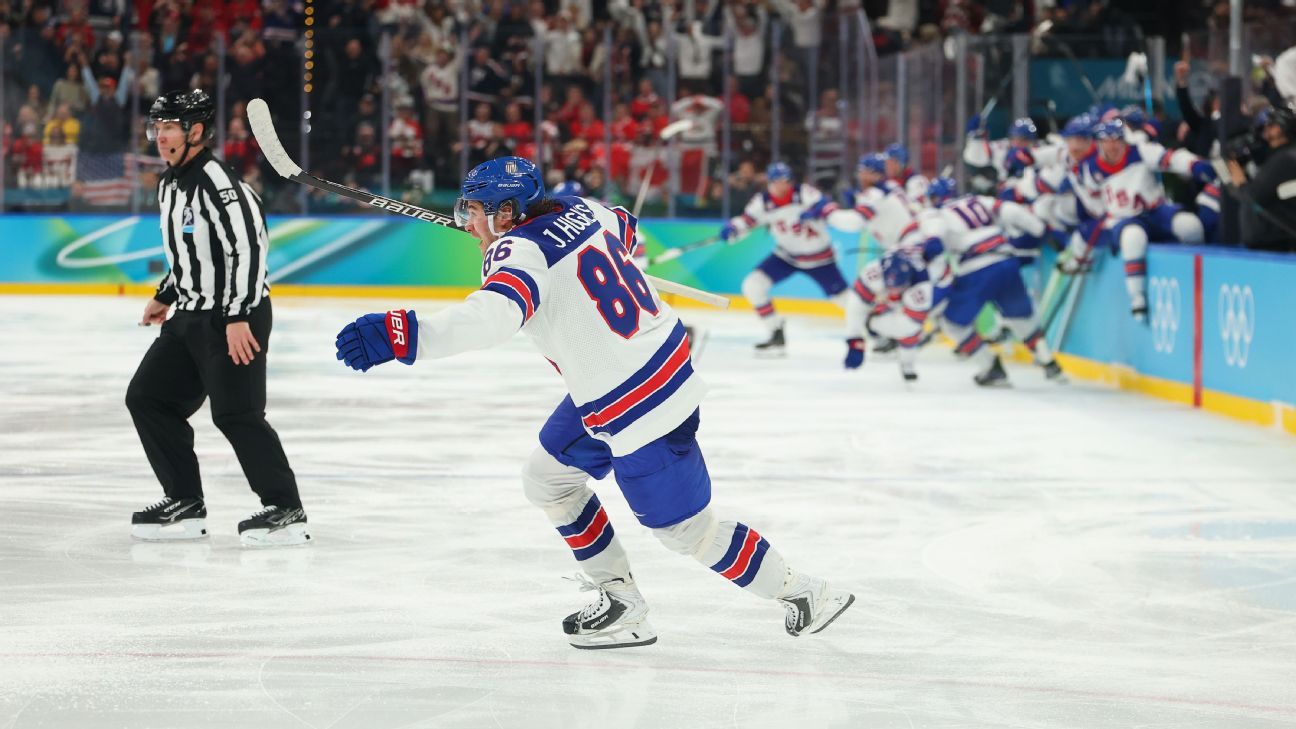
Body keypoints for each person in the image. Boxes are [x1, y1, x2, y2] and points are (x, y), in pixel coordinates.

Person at [332, 156, 854, 649]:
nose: (466, 221)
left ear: (507, 212)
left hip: (639, 405)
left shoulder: (518, 253)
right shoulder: (582, 209)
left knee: (686, 531)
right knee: (546, 479)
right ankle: (621, 601)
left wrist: (403, 334)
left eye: (473, 210)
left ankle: (805, 592)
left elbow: (491, 318)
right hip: (632, 377)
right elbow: (625, 225)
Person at [126, 89, 309, 547]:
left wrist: (238, 315)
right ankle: (185, 501)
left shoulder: (218, 183)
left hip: (232, 317)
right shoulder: (169, 184)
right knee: (148, 398)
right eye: (157, 127)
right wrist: (166, 293)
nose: (160, 136)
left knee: (237, 414)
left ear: (196, 132)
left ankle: (286, 509)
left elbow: (247, 249)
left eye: (170, 127)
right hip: (189, 316)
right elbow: (190, 251)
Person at [1074, 118, 1217, 319]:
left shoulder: (1139, 151)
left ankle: (1205, 271)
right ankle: (1137, 297)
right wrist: (1103, 214)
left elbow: (1171, 158)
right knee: (1133, 237)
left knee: (1190, 225)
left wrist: (1194, 164)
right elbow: (1092, 200)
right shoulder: (1090, 169)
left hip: (1155, 210)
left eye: (1116, 140)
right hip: (1123, 219)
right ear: (1099, 143)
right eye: (1106, 141)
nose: (1112, 146)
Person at [720, 162, 846, 355]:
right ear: (769, 183)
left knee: (845, 300)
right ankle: (775, 332)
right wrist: (733, 228)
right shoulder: (762, 202)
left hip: (819, 258)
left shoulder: (803, 193)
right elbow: (747, 221)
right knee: (753, 285)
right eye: (777, 181)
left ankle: (878, 333)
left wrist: (816, 211)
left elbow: (826, 205)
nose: (782, 185)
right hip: (787, 256)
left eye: (786, 181)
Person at [1225, 105, 1296, 253]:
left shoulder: (1285, 159)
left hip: (1275, 247)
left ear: (1282, 128)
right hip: (1275, 244)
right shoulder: (1281, 157)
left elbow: (1255, 196)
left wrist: (1240, 182)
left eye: (1270, 126)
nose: (1265, 131)